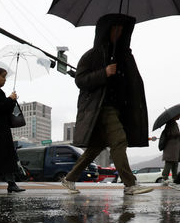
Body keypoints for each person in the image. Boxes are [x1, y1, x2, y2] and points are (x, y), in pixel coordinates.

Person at [60, 14, 152, 195]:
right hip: (100, 108)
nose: (119, 32)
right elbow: (80, 80)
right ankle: (130, 184)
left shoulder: (123, 55)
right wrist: (104, 72)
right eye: (115, 28)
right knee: (119, 141)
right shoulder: (92, 55)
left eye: (121, 29)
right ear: (106, 30)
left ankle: (69, 178)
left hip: (118, 109)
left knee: (95, 148)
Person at [159, 115, 180, 184]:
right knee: (169, 162)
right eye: (179, 114)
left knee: (174, 163)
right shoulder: (171, 123)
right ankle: (165, 178)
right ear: (175, 115)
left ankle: (175, 178)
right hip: (171, 147)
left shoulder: (172, 123)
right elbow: (173, 134)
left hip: (173, 147)